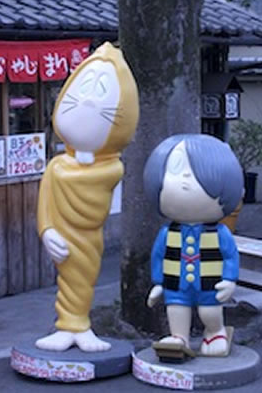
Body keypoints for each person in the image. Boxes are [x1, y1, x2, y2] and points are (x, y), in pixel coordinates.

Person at [35, 43, 139, 353]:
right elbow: (45, 205)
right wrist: (47, 230)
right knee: (67, 277)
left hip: (89, 237)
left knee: (86, 273)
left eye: (102, 90)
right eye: (84, 86)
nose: (91, 99)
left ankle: (78, 323)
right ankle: (67, 325)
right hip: (62, 235)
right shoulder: (56, 167)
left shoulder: (110, 168)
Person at [144, 134, 243, 359]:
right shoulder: (168, 233)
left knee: (210, 311)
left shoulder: (219, 233)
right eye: (177, 168)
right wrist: (158, 283)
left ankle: (215, 332)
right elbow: (158, 256)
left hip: (210, 284)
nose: (186, 177)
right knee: (176, 309)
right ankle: (179, 337)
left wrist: (229, 280)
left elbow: (230, 256)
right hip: (175, 284)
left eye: (197, 173)